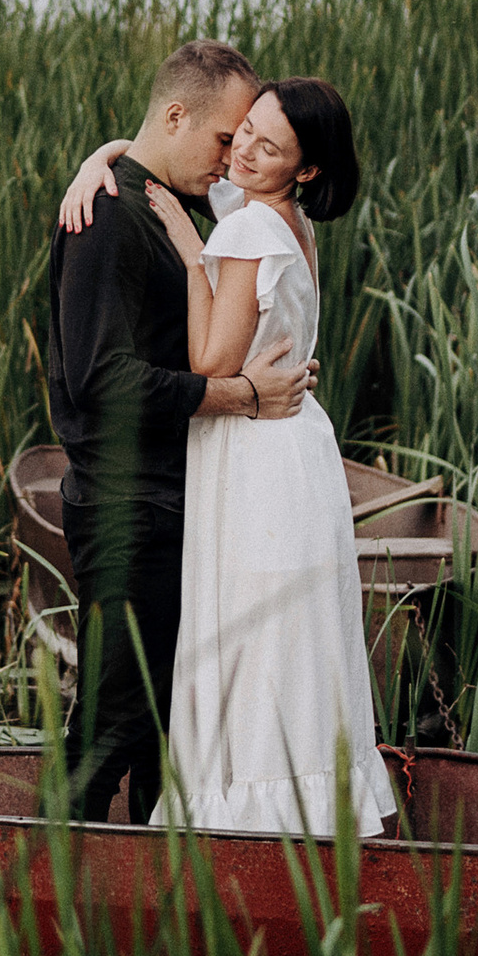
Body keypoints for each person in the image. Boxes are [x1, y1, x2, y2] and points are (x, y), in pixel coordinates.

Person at [59, 77, 393, 837]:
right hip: (300, 453)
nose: (241, 150)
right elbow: (160, 148)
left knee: (246, 647)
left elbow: (211, 362)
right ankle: (295, 811)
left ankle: (240, 822)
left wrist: (188, 253)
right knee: (285, 648)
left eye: (265, 145)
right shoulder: (288, 220)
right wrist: (102, 160)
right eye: (240, 132)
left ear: (303, 167)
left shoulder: (242, 229)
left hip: (255, 458)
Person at [44, 40, 316, 825]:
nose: (235, 160)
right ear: (176, 116)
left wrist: (112, 149)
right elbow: (102, 380)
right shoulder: (105, 218)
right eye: (226, 140)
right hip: (129, 513)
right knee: (113, 725)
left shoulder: (158, 197)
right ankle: (55, 907)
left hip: (177, 512)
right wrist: (237, 394)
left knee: (174, 733)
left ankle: (155, 912)